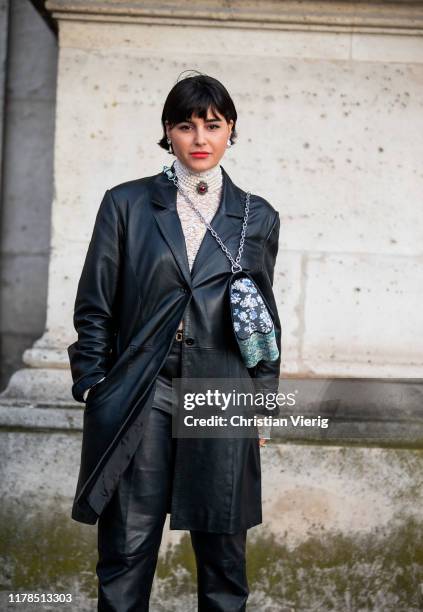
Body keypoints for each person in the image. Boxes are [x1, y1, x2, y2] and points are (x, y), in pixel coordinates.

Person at [68, 71, 281, 611]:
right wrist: (95, 386)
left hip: (223, 392)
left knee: (224, 561)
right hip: (142, 391)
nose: (200, 138)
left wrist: (261, 404)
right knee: (125, 550)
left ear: (231, 128)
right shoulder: (127, 204)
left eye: (212, 125)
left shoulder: (257, 217)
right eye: (186, 126)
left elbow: (262, 321)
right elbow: (95, 303)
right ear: (168, 132)